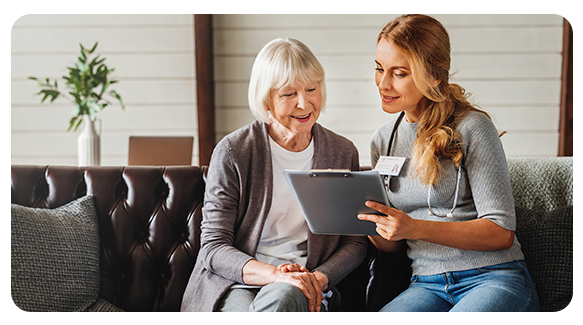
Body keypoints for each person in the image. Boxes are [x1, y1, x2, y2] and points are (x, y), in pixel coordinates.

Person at [357, 14, 539, 312]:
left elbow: (501, 231)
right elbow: (394, 245)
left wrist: (414, 227)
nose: (383, 83)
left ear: (434, 75)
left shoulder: (472, 127)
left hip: (493, 278)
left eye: (399, 73)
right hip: (425, 284)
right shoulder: (383, 140)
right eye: (379, 69)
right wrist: (365, 221)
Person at [181, 38, 368, 312]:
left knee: (284, 296)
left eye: (311, 89)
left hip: (309, 282)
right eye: (288, 94)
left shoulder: (342, 152)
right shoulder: (234, 151)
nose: (304, 104)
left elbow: (355, 242)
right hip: (238, 281)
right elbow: (213, 247)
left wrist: (315, 279)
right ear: (266, 98)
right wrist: (276, 275)